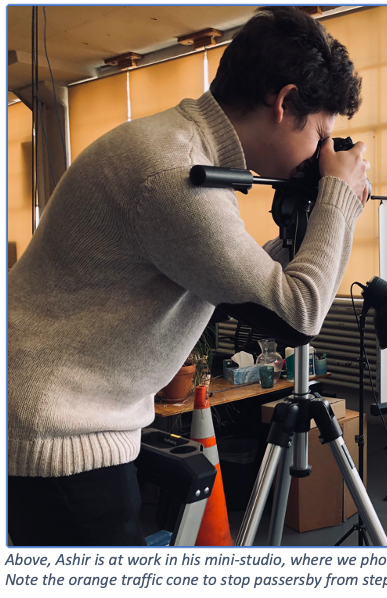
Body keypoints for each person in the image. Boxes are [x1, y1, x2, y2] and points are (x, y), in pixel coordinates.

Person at [7, 6, 367, 546]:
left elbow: (238, 276)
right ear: (285, 101)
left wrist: (316, 212)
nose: (321, 154)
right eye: (319, 135)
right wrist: (339, 199)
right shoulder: (174, 174)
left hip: (62, 424)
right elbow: (298, 315)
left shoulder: (178, 147)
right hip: (56, 441)